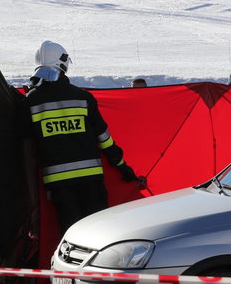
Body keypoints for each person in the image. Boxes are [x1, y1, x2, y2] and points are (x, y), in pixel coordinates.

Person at [21, 41, 146, 233]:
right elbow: (104, 138)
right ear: (63, 64)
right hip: (92, 181)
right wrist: (123, 167)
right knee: (100, 233)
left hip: (58, 185)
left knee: (73, 236)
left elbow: (27, 148)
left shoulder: (30, 102)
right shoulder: (83, 97)